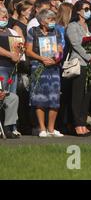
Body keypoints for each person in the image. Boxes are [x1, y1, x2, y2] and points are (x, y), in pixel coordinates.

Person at [25, 9, 64, 138]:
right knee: (40, 98)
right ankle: (42, 128)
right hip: (38, 66)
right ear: (42, 21)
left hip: (53, 67)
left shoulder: (56, 31)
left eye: (54, 19)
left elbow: (60, 50)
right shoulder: (33, 31)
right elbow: (28, 51)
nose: (52, 22)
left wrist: (55, 59)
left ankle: (51, 128)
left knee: (54, 98)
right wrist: (42, 59)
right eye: (50, 19)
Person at [66, 0, 91, 137]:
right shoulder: (73, 26)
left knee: (87, 95)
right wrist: (89, 57)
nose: (88, 11)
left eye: (89, 8)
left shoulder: (89, 26)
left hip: (90, 65)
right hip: (80, 62)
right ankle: (77, 124)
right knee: (78, 95)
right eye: (85, 9)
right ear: (78, 11)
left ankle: (83, 123)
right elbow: (76, 44)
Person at [0, 7, 22, 138]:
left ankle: (9, 127)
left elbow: (19, 47)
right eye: (1, 17)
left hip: (12, 68)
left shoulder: (11, 31)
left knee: (11, 97)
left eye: (5, 17)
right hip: (1, 68)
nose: (4, 19)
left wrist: (19, 53)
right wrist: (10, 55)